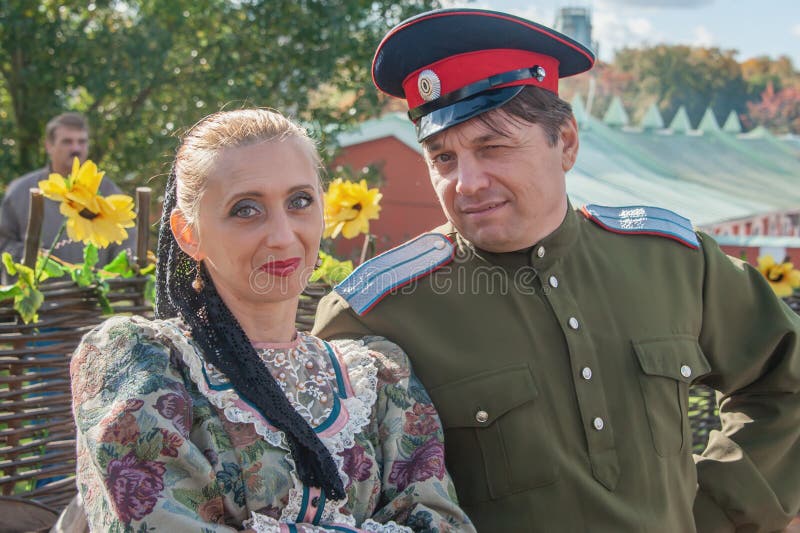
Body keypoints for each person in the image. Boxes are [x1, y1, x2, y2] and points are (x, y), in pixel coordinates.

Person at [313, 8, 800, 532]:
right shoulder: (377, 312)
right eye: (443, 158)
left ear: (565, 142)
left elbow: (785, 379)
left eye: (492, 147)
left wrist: (720, 512)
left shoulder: (674, 262)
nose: (467, 182)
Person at [68, 108, 474, 532]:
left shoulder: (381, 376)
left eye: (300, 201)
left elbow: (444, 524)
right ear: (189, 233)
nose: (282, 235)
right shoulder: (143, 362)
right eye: (246, 209)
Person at [0, 112, 135, 272]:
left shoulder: (108, 191)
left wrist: (118, 275)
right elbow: (3, 242)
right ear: (48, 146)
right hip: (42, 293)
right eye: (67, 142)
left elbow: (127, 247)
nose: (76, 148)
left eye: (82, 142)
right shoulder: (21, 192)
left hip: (93, 293)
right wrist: (31, 258)